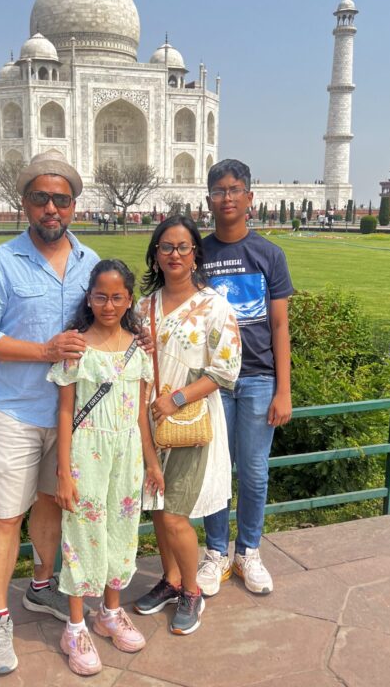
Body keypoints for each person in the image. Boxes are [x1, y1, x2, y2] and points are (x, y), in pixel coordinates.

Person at [0, 150, 100, 676]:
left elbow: (107, 321)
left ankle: (41, 586)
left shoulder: (89, 262)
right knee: (5, 516)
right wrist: (44, 350)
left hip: (72, 414)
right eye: (41, 197)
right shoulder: (1, 262)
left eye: (61, 199)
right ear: (24, 202)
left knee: (50, 506)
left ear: (74, 205)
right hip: (18, 411)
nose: (51, 208)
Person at [48, 259, 163, 676]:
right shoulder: (76, 348)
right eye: (101, 296)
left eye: (117, 297)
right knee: (82, 533)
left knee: (122, 530)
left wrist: (151, 462)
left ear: (129, 299)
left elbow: (141, 414)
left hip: (127, 453)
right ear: (89, 298)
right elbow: (65, 412)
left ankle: (110, 613)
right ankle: (75, 626)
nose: (108, 305)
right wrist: (63, 472)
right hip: (86, 454)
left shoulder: (140, 349)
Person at [133, 216, 241, 635]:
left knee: (176, 513)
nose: (174, 254)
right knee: (158, 509)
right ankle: (171, 579)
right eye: (166, 247)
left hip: (191, 420)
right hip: (149, 421)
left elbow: (226, 370)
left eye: (182, 247)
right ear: (155, 254)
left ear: (196, 253)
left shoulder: (214, 306)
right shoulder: (144, 307)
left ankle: (192, 592)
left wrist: (176, 399)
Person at [197, 159, 293, 598]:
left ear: (250, 198)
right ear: (209, 200)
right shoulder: (199, 254)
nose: (227, 198)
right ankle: (216, 552)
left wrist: (283, 390)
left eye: (235, 190)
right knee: (215, 471)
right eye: (219, 191)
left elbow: (279, 326)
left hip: (257, 378)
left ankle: (248, 551)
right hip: (213, 381)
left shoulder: (268, 255)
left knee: (253, 473)